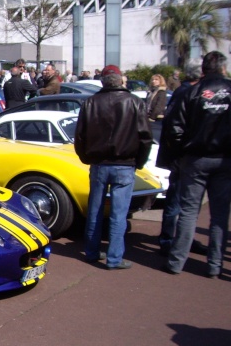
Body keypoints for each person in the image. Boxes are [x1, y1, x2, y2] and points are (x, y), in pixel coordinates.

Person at [74, 64, 153, 270]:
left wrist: (86, 157)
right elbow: (145, 137)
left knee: (95, 209)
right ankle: (114, 258)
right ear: (121, 80)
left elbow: (80, 136)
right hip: (124, 164)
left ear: (102, 81)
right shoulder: (134, 102)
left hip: (99, 163)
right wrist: (139, 162)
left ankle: (92, 252)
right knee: (119, 213)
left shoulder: (90, 103)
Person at [163, 51, 231, 279]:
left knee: (189, 211)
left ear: (203, 69)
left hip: (196, 158)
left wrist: (182, 152)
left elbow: (175, 127)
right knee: (219, 215)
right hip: (223, 159)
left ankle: (176, 262)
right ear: (222, 68)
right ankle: (214, 265)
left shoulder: (192, 92)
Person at [155, 63, 203, 256]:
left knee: (187, 203)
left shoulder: (189, 92)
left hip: (185, 155)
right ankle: (167, 239)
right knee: (176, 201)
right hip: (181, 157)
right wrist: (181, 153)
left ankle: (184, 238)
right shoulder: (185, 93)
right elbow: (173, 127)